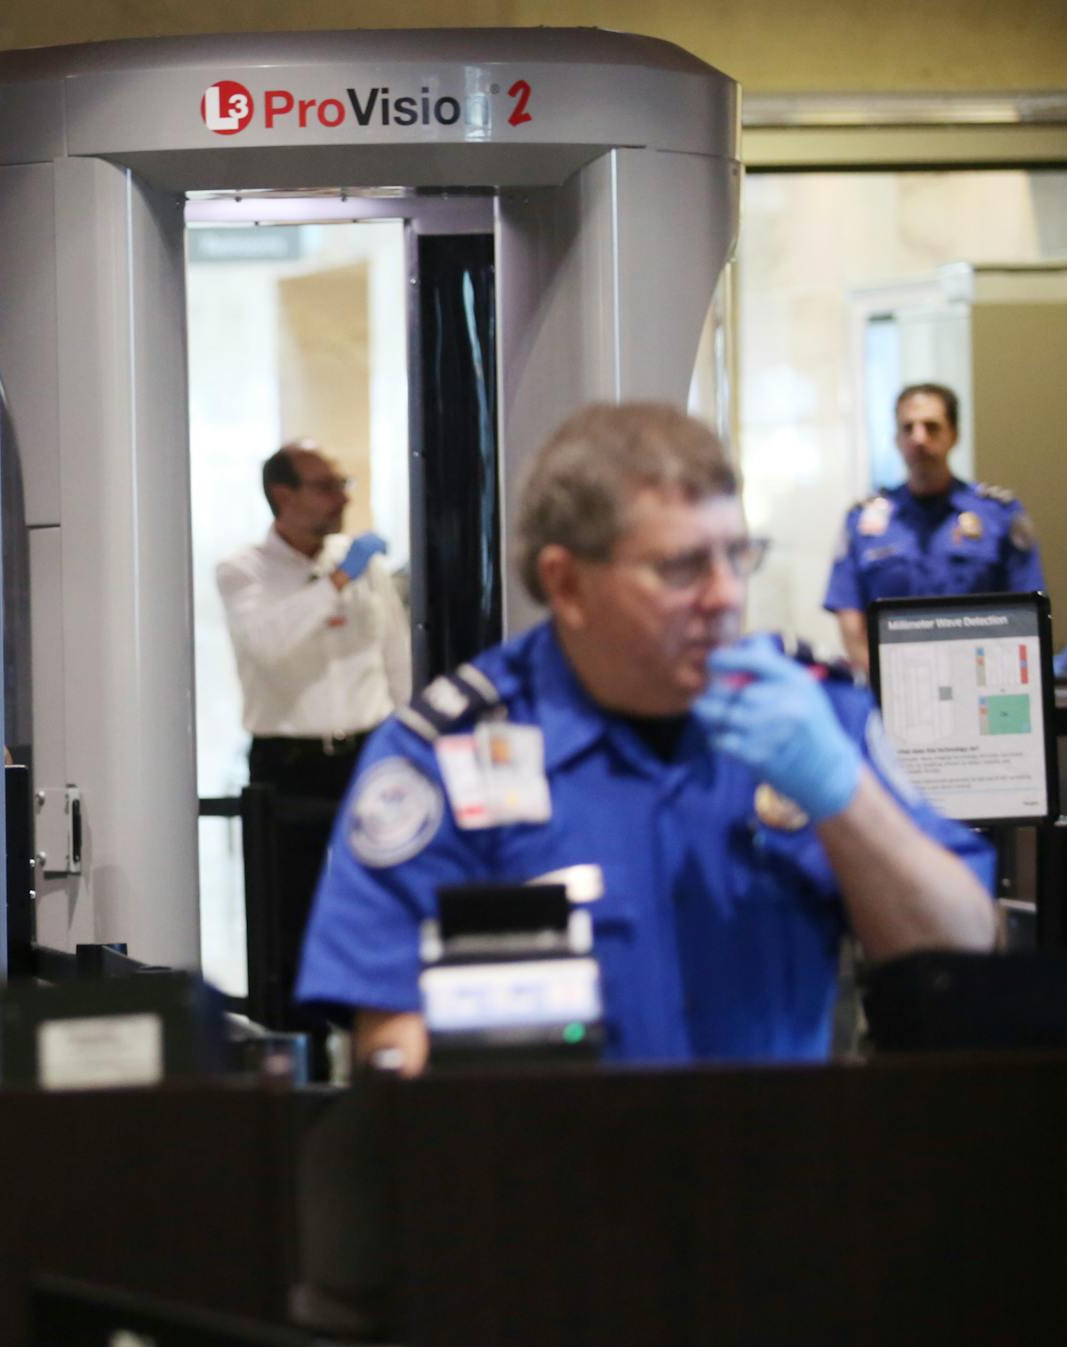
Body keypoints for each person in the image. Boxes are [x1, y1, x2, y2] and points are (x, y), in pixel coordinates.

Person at [295, 403, 999, 1075]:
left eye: (738, 554)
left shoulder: (809, 715)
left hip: (779, 1177)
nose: (725, 594)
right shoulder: (442, 756)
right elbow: (389, 1038)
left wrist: (842, 791)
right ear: (566, 584)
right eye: (682, 567)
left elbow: (963, 954)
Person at [214, 443, 411, 1027]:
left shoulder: (361, 562)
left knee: (377, 902)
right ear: (284, 495)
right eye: (327, 485)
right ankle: (295, 1054)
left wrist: (407, 742)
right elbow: (269, 646)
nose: (343, 496)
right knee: (287, 916)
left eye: (343, 481)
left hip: (368, 753)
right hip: (289, 760)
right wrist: (335, 583)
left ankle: (376, 1037)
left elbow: (395, 654)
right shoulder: (242, 570)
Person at [824, 383, 1045, 671]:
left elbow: (1027, 618)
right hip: (894, 691)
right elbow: (850, 622)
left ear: (954, 435)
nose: (919, 438)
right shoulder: (862, 522)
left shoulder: (999, 515)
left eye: (931, 427)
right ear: (896, 439)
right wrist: (882, 688)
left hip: (981, 685)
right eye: (908, 428)